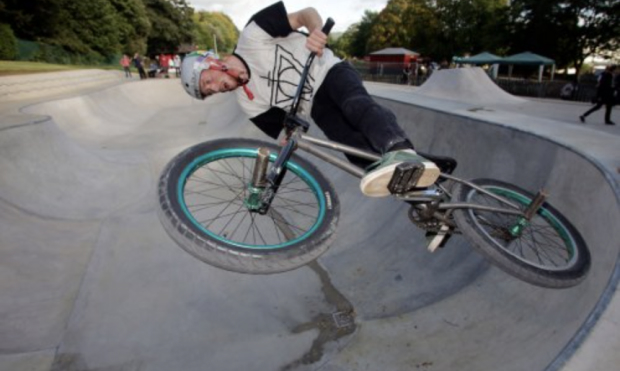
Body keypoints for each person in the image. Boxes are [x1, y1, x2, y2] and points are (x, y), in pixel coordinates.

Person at [179, 2, 439, 197]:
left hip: (328, 71)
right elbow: (285, 129)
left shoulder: (253, 34)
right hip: (315, 105)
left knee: (354, 105)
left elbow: (305, 14)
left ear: (211, 61)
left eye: (208, 82)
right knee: (352, 148)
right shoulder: (247, 102)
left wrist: (316, 31)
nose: (215, 89)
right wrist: (288, 135)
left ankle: (401, 150)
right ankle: (427, 199)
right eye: (209, 92)